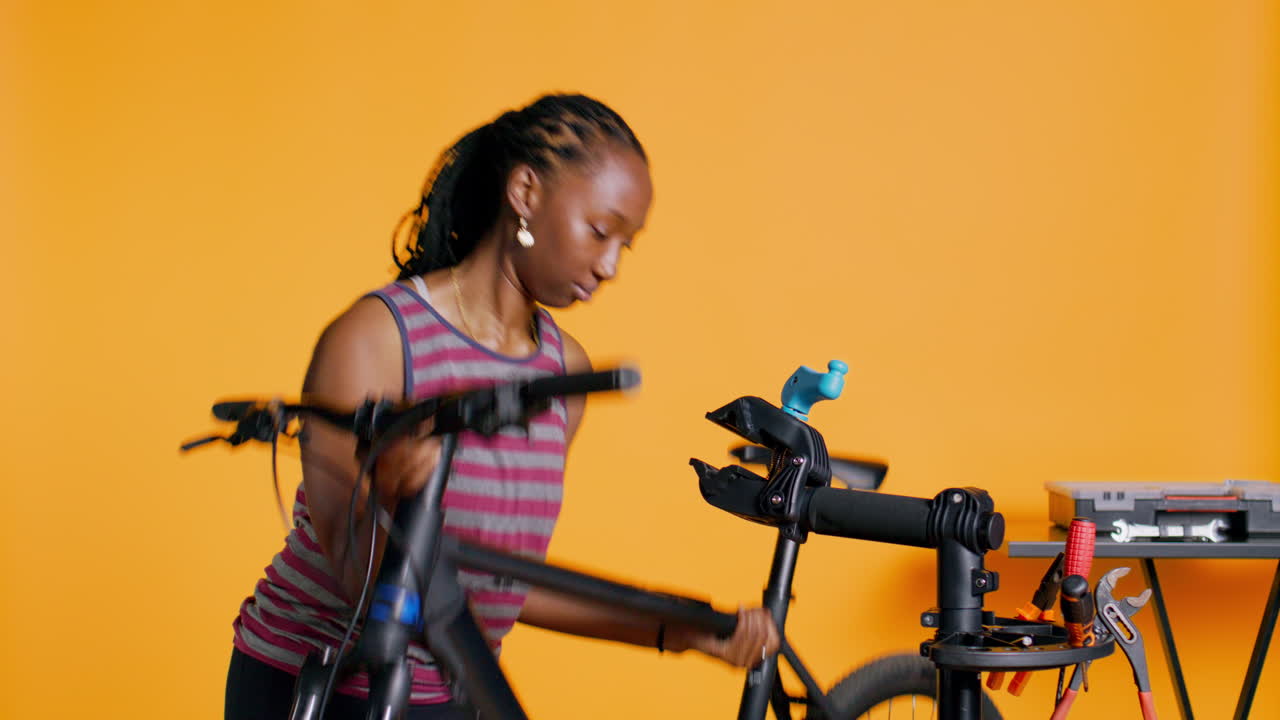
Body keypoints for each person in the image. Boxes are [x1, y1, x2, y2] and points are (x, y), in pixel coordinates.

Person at [224, 93, 781, 719]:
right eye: (600, 231)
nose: (610, 265)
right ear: (525, 191)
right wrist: (388, 486)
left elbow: (499, 585)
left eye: (627, 244)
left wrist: (676, 629)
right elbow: (358, 574)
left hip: (448, 686)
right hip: (319, 684)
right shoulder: (376, 339)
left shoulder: (561, 374)